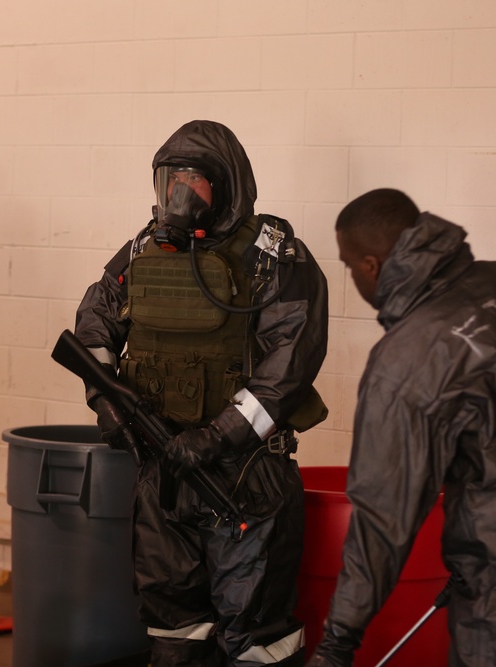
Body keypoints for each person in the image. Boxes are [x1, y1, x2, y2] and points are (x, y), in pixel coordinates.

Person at [309, 188, 496, 666]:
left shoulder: (408, 359)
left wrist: (337, 643)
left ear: (370, 266)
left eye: (350, 267)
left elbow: (382, 520)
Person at [74, 119, 329, 667]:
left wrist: (217, 437)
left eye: (195, 181)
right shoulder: (146, 247)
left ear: (228, 187)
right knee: (173, 624)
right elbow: (94, 321)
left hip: (244, 479)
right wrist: (108, 402)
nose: (180, 196)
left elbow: (290, 364)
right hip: (162, 470)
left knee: (256, 635)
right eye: (171, 181)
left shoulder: (274, 257)